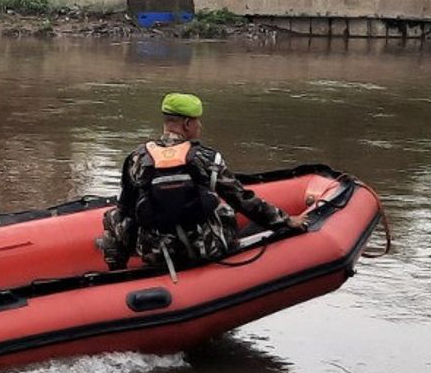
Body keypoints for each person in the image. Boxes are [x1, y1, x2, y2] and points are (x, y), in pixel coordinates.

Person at [98, 93, 308, 274]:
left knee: (113, 217)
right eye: (198, 121)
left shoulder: (137, 158)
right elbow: (242, 200)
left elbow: (125, 208)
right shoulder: (208, 159)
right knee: (224, 211)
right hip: (204, 249)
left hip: (156, 253)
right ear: (187, 124)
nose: (201, 125)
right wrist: (287, 221)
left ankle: (119, 274)